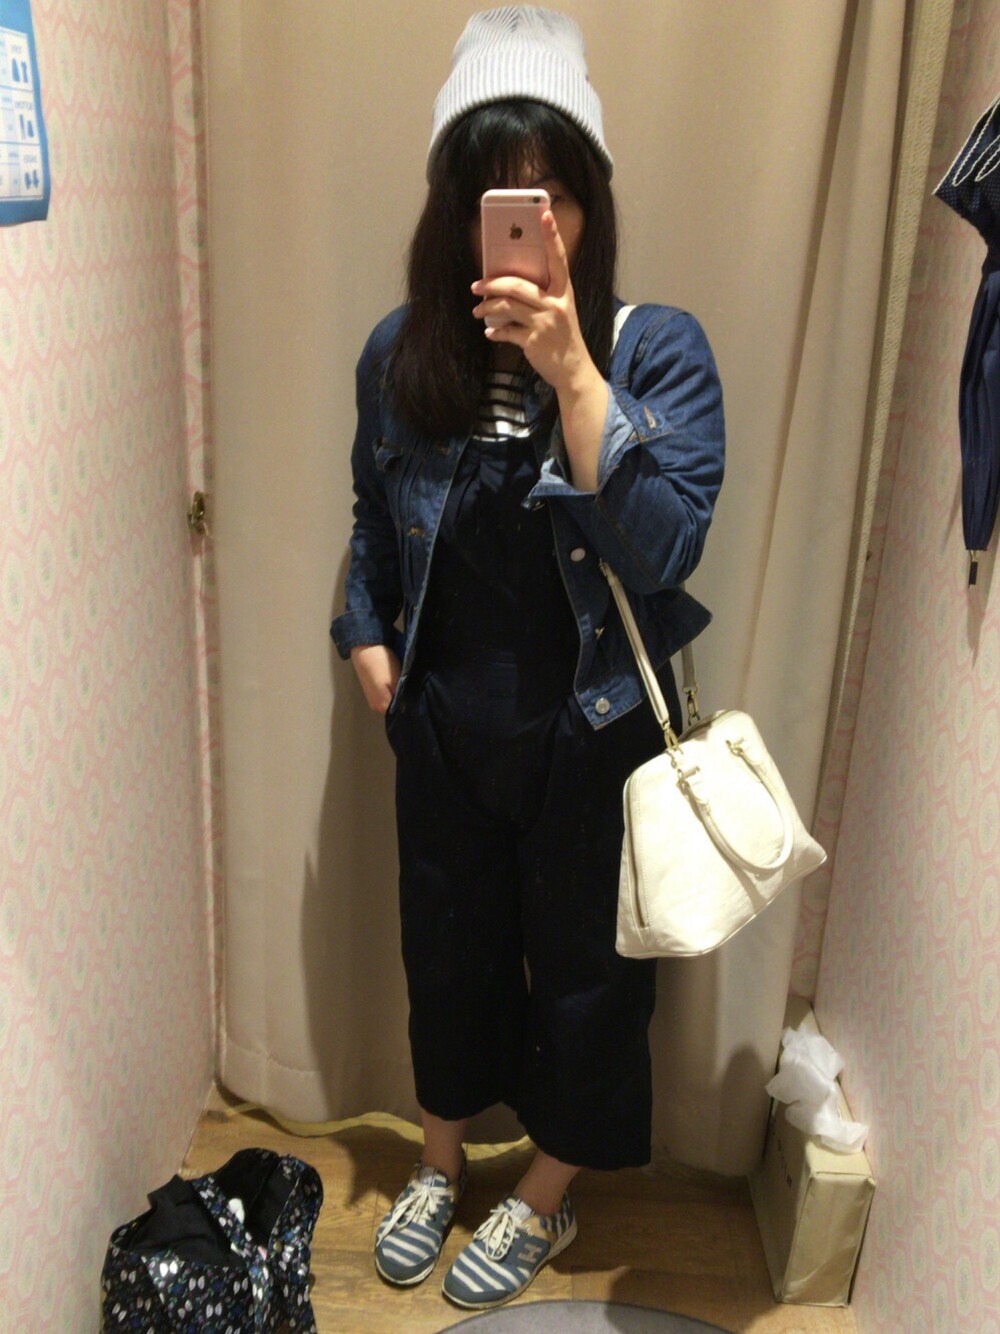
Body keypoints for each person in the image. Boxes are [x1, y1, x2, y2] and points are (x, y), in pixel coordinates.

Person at [331, 5, 725, 1312]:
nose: (529, 224)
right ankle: (439, 1163)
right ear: (457, 214)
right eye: (501, 198)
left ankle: (546, 1196)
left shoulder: (658, 349)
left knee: (589, 982)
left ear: (588, 207)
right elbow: (370, 524)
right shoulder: (398, 355)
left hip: (593, 736)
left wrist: (575, 377)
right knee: (444, 954)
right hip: (445, 724)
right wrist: (366, 639)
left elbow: (664, 547)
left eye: (552, 193)